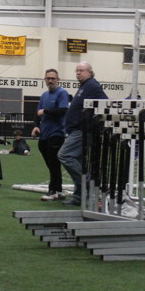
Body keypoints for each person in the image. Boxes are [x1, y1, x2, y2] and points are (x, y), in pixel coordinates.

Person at [57, 62, 108, 206]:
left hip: (82, 131)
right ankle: (79, 196)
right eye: (77, 70)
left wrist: (92, 122)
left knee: (65, 155)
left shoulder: (92, 85)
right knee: (77, 161)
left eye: (82, 70)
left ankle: (89, 186)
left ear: (90, 72)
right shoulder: (85, 86)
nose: (78, 73)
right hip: (77, 130)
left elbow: (105, 103)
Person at [32, 69, 71, 201]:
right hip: (44, 133)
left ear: (58, 79)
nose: (50, 81)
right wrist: (36, 126)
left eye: (52, 78)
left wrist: (46, 111)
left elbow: (63, 110)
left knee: (54, 162)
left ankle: (53, 190)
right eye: (48, 78)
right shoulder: (44, 95)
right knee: (50, 162)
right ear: (45, 80)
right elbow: (37, 112)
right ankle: (58, 189)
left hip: (57, 132)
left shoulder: (62, 93)